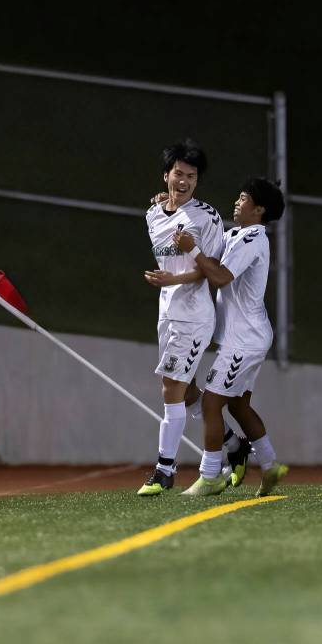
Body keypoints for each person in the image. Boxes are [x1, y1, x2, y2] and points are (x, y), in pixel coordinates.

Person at [175, 177, 289, 497]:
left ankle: (210, 475)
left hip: (245, 338)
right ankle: (270, 465)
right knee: (238, 406)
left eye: (243, 198)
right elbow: (211, 257)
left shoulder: (254, 238)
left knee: (211, 402)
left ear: (259, 210)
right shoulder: (237, 233)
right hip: (246, 336)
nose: (237, 202)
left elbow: (222, 277)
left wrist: (192, 250)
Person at [136, 139, 226, 496]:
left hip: (195, 314)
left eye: (191, 175)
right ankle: (232, 443)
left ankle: (164, 469)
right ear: (166, 175)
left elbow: (214, 268)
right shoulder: (153, 213)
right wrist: (168, 280)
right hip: (167, 311)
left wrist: (175, 278)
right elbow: (168, 260)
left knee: (170, 387)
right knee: (187, 391)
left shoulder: (207, 216)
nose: (184, 181)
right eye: (178, 173)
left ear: (197, 180)